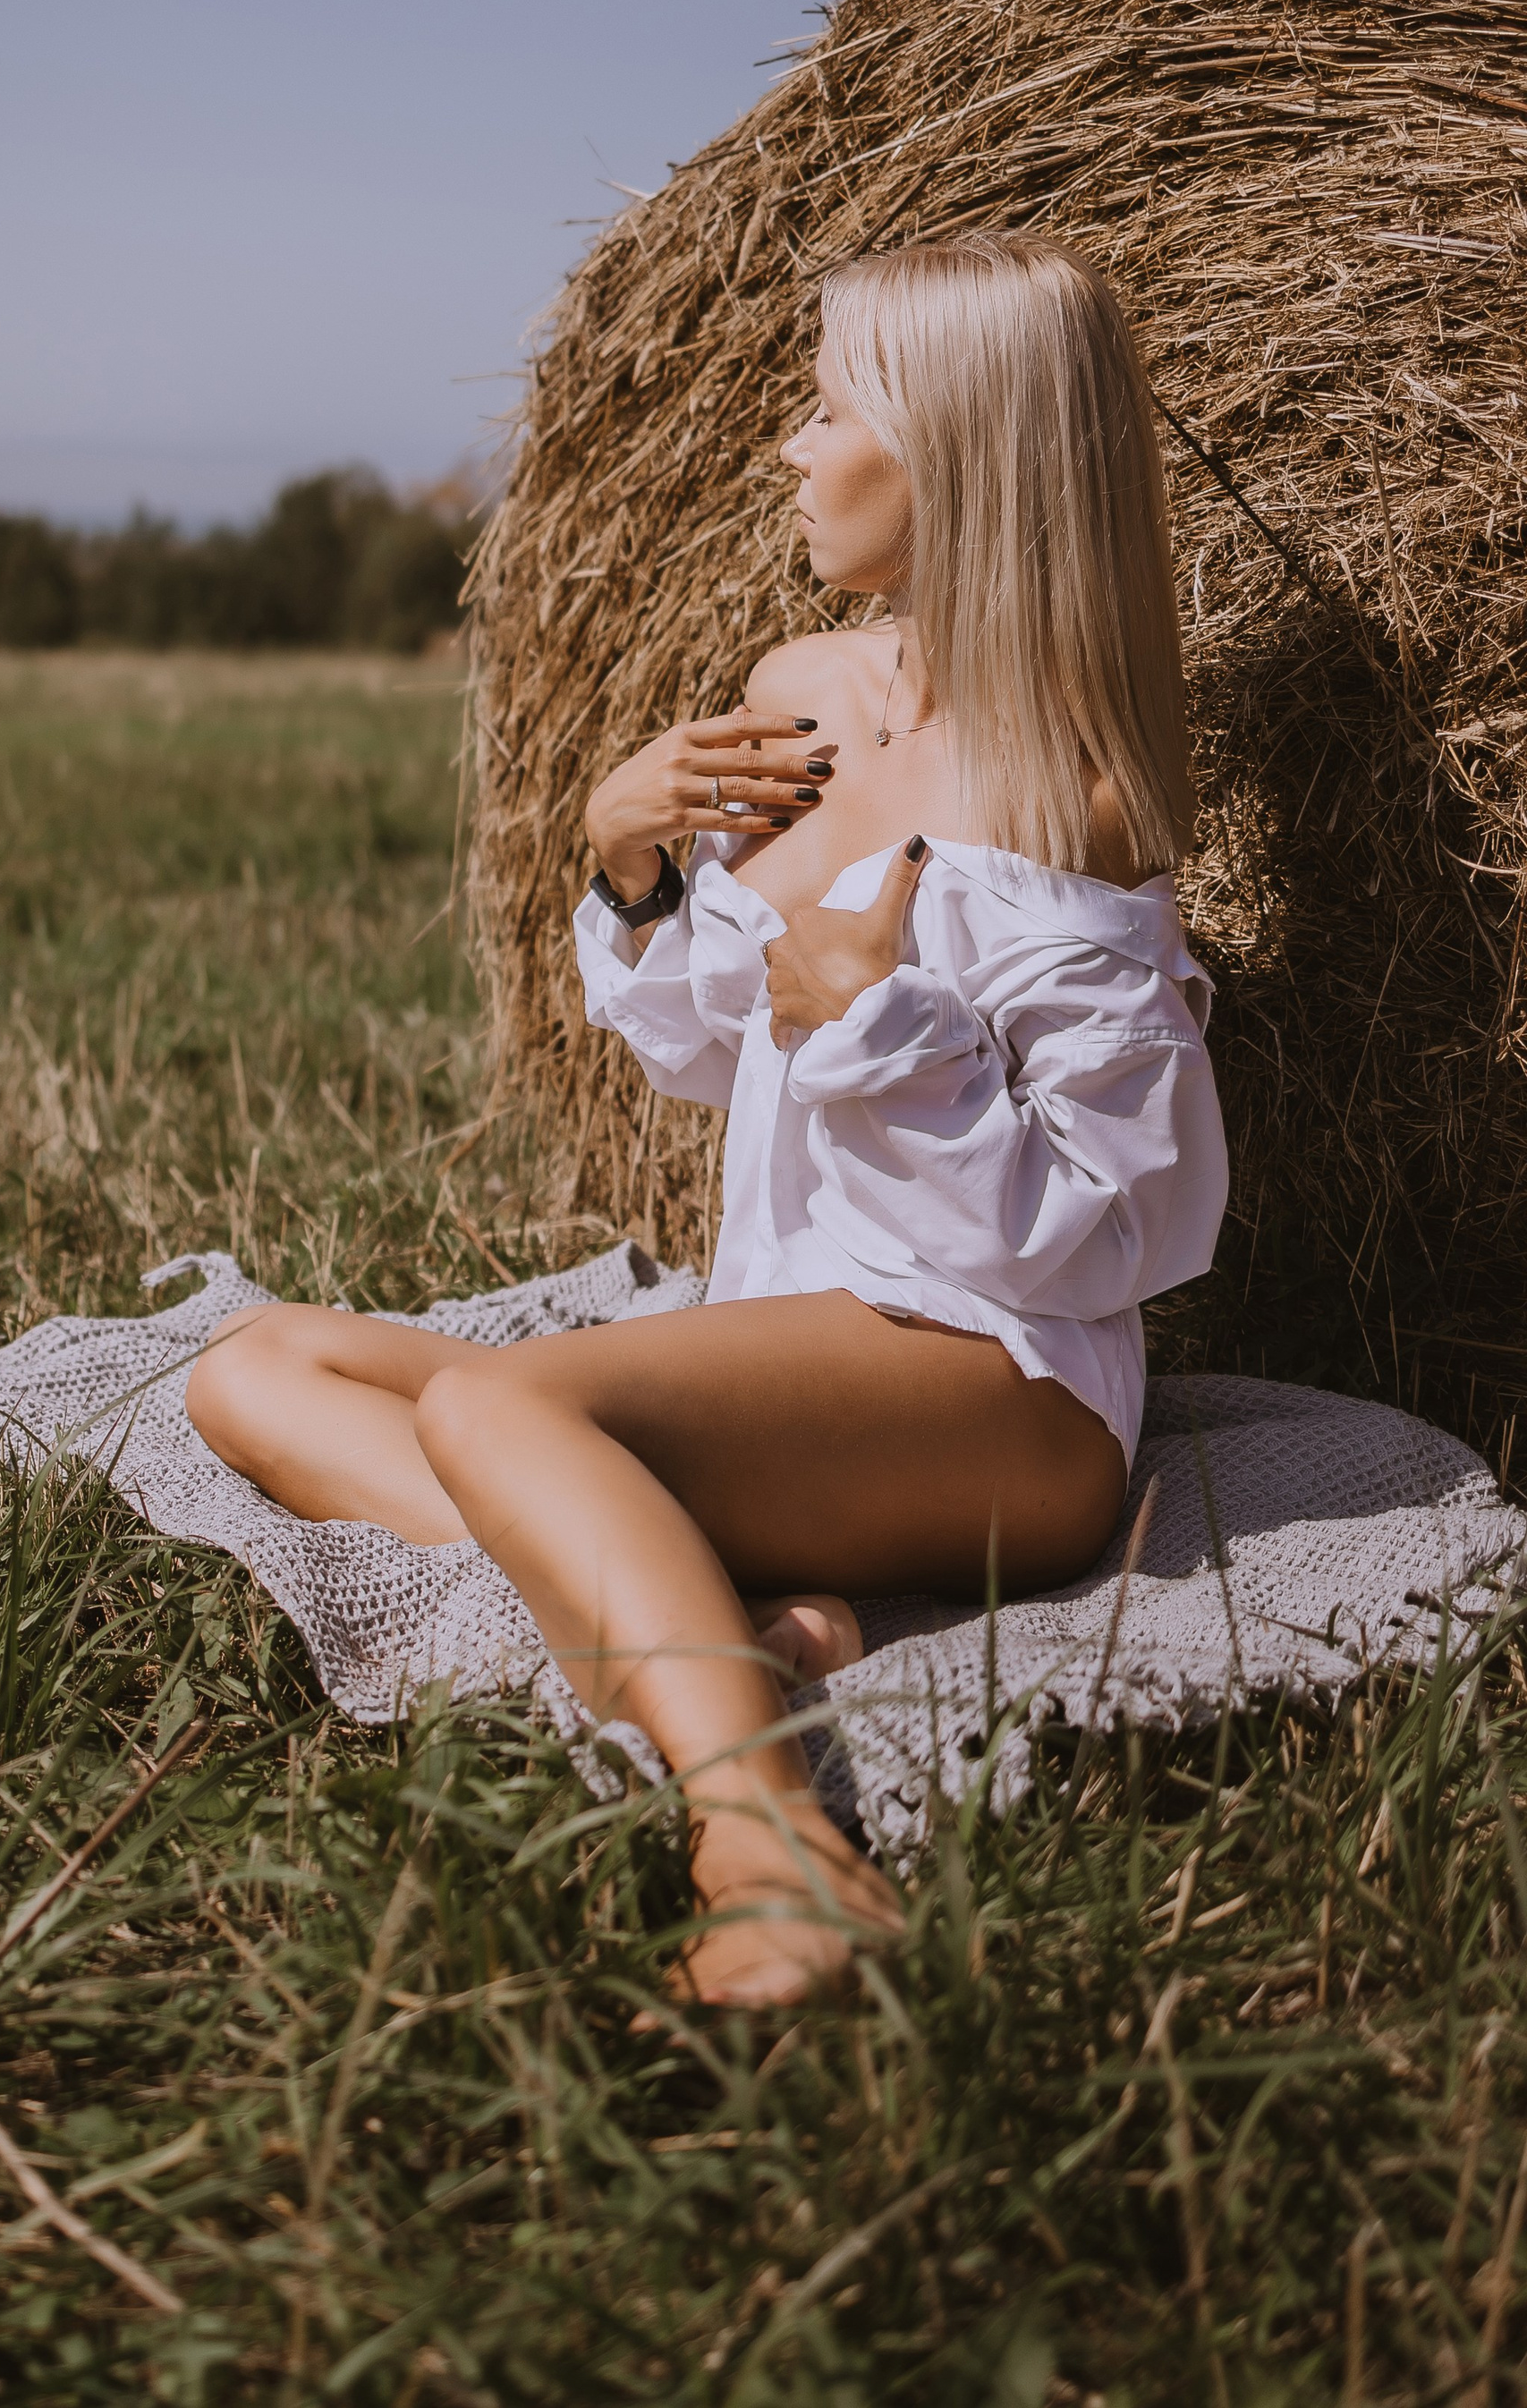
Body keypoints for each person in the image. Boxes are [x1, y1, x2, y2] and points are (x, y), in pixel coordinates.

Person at [186, 233, 1226, 2005]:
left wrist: (884, 1031)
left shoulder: (1066, 785)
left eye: (829, 412)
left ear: (958, 448)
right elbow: (695, 1055)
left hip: (994, 1380)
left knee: (499, 1404)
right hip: (782, 1337)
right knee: (250, 1372)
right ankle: (724, 1624)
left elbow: (1129, 1223)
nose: (783, 451)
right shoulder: (799, 696)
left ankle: (766, 1840)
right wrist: (633, 862)